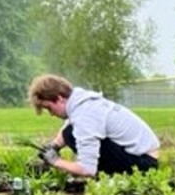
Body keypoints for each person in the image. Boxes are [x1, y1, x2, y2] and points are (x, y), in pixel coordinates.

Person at [27, 74, 159, 177]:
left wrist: (55, 162)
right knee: (69, 132)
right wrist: (53, 146)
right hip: (143, 156)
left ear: (60, 98)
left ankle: (111, 177)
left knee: (72, 135)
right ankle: (110, 175)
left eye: (49, 108)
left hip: (143, 164)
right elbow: (68, 126)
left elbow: (87, 169)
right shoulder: (83, 103)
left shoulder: (85, 115)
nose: (51, 114)